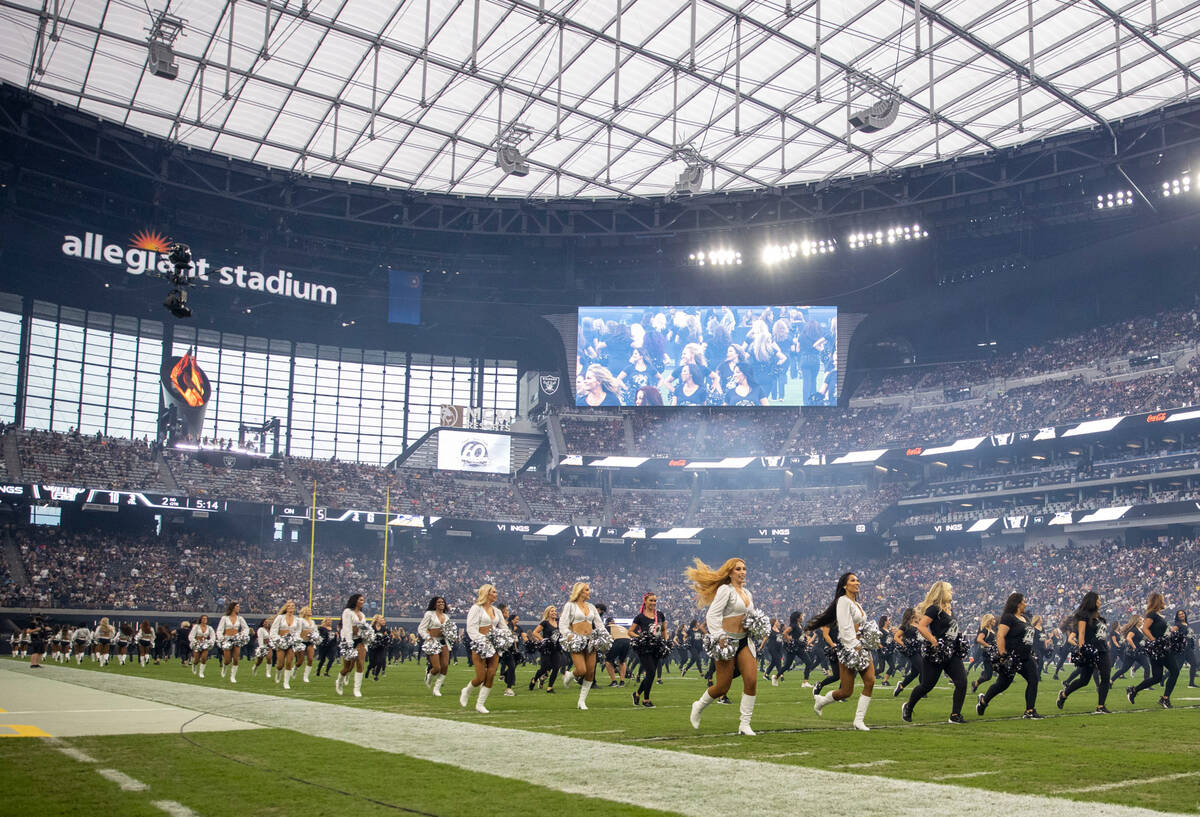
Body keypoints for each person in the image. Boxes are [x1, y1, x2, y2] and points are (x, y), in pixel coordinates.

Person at [685, 557, 761, 736]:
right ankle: (699, 705)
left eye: (744, 568)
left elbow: (750, 618)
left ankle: (744, 724)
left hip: (744, 641)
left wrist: (757, 627)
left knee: (751, 680)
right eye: (738, 569)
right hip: (726, 642)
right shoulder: (725, 590)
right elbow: (712, 616)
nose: (742, 572)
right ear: (730, 573)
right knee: (722, 687)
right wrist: (719, 636)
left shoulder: (748, 593)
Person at [811, 572, 875, 731]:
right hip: (849, 647)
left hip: (862, 645)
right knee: (846, 691)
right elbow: (845, 627)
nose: (857, 583)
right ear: (845, 585)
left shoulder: (857, 603)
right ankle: (822, 701)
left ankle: (858, 721)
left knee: (870, 681)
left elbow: (861, 626)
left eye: (858, 580)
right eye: (853, 580)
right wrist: (855, 645)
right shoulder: (843, 601)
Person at [900, 580, 968, 724]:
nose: (952, 592)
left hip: (952, 652)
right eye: (950, 590)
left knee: (962, 682)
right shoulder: (934, 609)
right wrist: (933, 641)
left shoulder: (950, 609)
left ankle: (955, 715)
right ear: (942, 592)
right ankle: (908, 706)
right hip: (936, 652)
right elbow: (922, 626)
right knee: (926, 686)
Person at [976, 593, 1043, 719]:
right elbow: (1000, 636)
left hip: (1026, 656)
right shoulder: (1008, 617)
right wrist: (1002, 655)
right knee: (1002, 684)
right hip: (1012, 657)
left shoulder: (1026, 618)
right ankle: (983, 701)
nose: (1026, 604)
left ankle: (1030, 710)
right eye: (1024, 602)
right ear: (1018, 604)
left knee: (1033, 680)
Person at [1057, 591, 1113, 714]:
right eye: (1098, 599)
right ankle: (1064, 694)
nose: (1100, 601)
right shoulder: (1083, 615)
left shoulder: (1099, 617)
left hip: (1103, 650)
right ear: (1093, 601)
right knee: (1084, 680)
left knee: (1105, 676)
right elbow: (1081, 633)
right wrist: (1082, 650)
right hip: (1090, 650)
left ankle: (1101, 706)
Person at [459, 583, 510, 713]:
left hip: (494, 645)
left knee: (491, 674)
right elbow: (471, 628)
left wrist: (503, 637)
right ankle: (467, 690)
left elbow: (504, 627)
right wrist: (482, 640)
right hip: (480, 644)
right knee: (481, 677)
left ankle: (480, 704)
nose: (496, 594)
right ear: (486, 593)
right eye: (493, 592)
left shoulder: (497, 611)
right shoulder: (476, 608)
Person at [1126, 592, 1181, 709]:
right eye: (1162, 599)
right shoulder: (1151, 614)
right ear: (1158, 601)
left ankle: (1134, 690)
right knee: (1175, 671)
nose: (1164, 601)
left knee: (1157, 677)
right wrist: (1154, 641)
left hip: (1161, 648)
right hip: (1158, 648)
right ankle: (1165, 699)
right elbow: (1145, 629)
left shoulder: (1159, 615)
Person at [558, 581, 607, 711]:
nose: (589, 592)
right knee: (581, 670)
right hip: (576, 640)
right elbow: (562, 624)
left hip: (591, 641)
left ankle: (581, 701)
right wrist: (569, 635)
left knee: (590, 672)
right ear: (579, 591)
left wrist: (605, 636)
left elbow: (599, 624)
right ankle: (569, 676)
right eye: (586, 590)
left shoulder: (591, 607)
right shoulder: (570, 605)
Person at [629, 592, 668, 708]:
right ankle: (646, 700)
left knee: (651, 674)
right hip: (644, 648)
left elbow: (664, 630)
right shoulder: (640, 617)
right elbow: (630, 632)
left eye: (655, 601)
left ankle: (636, 694)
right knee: (650, 672)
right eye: (651, 600)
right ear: (645, 601)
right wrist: (640, 637)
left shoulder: (660, 615)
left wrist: (666, 641)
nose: (653, 603)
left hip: (657, 648)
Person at [335, 593, 371, 698]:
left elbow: (363, 628)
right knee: (347, 667)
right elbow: (347, 628)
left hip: (360, 641)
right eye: (360, 600)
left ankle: (357, 689)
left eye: (363, 600)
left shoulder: (362, 614)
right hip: (348, 641)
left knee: (360, 663)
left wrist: (367, 635)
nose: (362, 602)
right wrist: (349, 643)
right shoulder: (347, 612)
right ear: (355, 601)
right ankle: (339, 682)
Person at [418, 596, 453, 697]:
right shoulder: (429, 614)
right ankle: (429, 676)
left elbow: (449, 629)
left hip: (444, 642)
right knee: (437, 668)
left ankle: (436, 689)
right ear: (434, 604)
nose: (441, 603)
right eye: (439, 602)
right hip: (433, 642)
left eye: (442, 602)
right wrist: (427, 637)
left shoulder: (446, 616)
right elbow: (421, 628)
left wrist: (451, 635)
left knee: (445, 666)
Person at [529, 605, 563, 693]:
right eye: (552, 611)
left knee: (556, 667)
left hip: (556, 648)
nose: (554, 612)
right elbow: (535, 632)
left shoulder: (559, 622)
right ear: (548, 613)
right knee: (544, 669)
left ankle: (550, 687)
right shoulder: (545, 623)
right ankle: (535, 679)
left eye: (555, 611)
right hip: (547, 649)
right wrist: (543, 640)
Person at [271, 600, 303, 690]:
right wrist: (277, 639)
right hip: (281, 641)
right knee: (280, 664)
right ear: (286, 608)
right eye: (289, 606)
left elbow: (298, 631)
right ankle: (278, 673)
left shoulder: (297, 619)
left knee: (289, 662)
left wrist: (295, 638)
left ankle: (286, 682)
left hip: (291, 642)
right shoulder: (280, 617)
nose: (292, 607)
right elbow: (273, 629)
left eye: (293, 606)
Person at [216, 601, 250, 684]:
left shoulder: (240, 618)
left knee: (236, 658)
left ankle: (232, 676)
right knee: (227, 660)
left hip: (236, 639)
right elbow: (219, 630)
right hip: (227, 639)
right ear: (233, 607)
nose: (239, 608)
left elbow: (246, 628)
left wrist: (242, 635)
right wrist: (221, 638)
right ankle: (224, 667)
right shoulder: (224, 618)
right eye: (237, 606)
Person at [297, 605, 321, 683]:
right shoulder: (301, 620)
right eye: (308, 610)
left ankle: (305, 676)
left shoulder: (312, 621)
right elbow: (298, 630)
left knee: (310, 659)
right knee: (300, 661)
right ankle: (295, 669)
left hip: (310, 642)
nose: (310, 611)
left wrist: (315, 636)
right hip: (302, 641)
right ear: (305, 612)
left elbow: (316, 631)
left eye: (310, 610)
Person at [188, 614, 215, 678]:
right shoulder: (196, 627)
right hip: (197, 643)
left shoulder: (209, 628)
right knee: (196, 659)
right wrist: (195, 642)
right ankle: (194, 665)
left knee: (204, 658)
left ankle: (201, 672)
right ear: (201, 619)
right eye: (203, 618)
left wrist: (210, 642)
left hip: (205, 644)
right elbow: (191, 635)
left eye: (206, 619)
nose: (204, 620)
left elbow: (213, 636)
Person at [366, 615, 391, 681]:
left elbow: (387, 637)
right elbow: (368, 636)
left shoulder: (384, 628)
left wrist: (385, 639)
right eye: (381, 619)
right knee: (372, 663)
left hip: (381, 647)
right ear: (377, 620)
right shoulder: (371, 627)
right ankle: (369, 669)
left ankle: (376, 676)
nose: (382, 620)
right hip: (372, 647)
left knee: (380, 661)